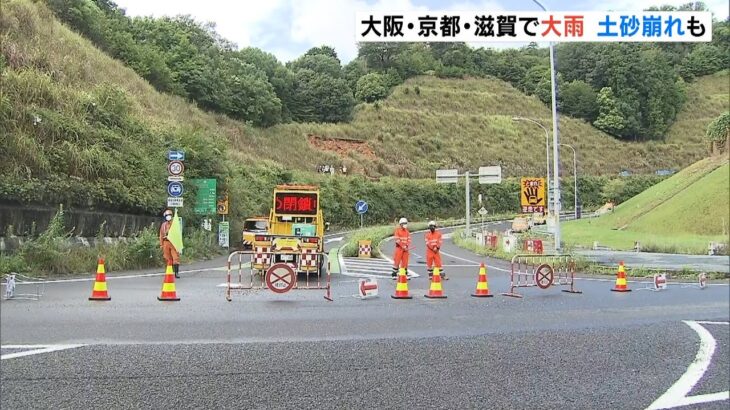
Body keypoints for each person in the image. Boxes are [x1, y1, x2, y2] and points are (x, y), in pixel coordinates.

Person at [159, 209, 180, 278]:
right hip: (166, 242)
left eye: (169, 215)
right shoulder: (163, 225)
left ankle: (176, 273)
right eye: (167, 215)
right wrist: (161, 244)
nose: (168, 217)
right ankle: (170, 272)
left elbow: (178, 234)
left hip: (173, 243)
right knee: (167, 258)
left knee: (175, 258)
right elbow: (161, 235)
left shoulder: (174, 224)